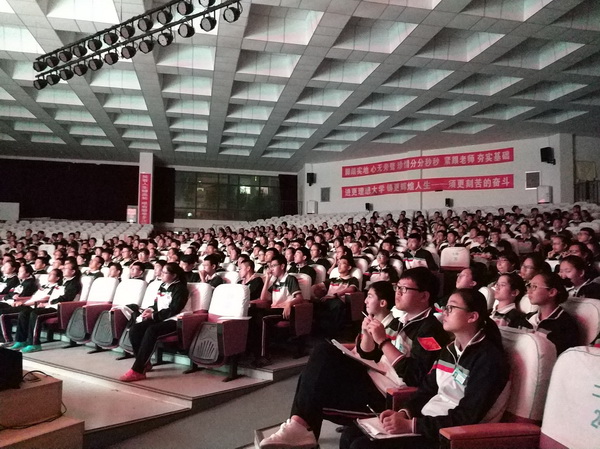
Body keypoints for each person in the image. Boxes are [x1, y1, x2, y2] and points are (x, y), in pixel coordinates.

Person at [259, 273, 449, 449]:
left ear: (424, 296)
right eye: (397, 287)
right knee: (320, 358)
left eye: (404, 289)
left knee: (313, 390)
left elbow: (415, 376)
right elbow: (369, 356)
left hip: (387, 394)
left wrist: (383, 341)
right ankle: (299, 427)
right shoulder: (404, 321)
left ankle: (300, 428)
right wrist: (368, 334)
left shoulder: (430, 329)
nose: (397, 293)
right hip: (372, 376)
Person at [340, 289, 510, 449]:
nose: (444, 312)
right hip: (427, 421)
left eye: (451, 308)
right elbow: (427, 389)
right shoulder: (450, 350)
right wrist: (404, 413)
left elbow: (467, 416)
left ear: (472, 316)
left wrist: (412, 425)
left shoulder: (489, 359)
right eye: (445, 307)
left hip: (450, 435)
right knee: (350, 434)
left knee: (361, 446)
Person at [119, 262, 189, 382]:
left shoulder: (180, 289)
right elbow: (157, 304)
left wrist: (154, 316)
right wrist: (150, 310)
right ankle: (145, 363)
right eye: (162, 272)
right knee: (135, 329)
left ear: (174, 275)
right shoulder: (163, 285)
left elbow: (174, 309)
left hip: (175, 319)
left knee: (152, 330)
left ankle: (138, 370)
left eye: (165, 272)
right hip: (160, 317)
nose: (161, 274)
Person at [11, 260, 82, 353]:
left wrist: (49, 303)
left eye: (66, 268)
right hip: (51, 306)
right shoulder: (62, 281)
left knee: (35, 314)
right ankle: (21, 340)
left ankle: (34, 344)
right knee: (24, 313)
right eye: (63, 268)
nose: (63, 270)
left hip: (60, 308)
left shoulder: (74, 284)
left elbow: (67, 298)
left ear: (73, 271)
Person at [249, 254, 304, 366]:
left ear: (282, 266)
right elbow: (263, 298)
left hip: (284, 311)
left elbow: (299, 298)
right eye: (270, 266)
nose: (271, 269)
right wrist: (268, 279)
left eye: (274, 266)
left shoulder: (290, 279)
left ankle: (264, 356)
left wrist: (289, 304)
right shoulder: (276, 282)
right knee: (252, 314)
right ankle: (253, 352)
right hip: (274, 310)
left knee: (262, 318)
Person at [519, 272, 579, 355]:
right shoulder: (527, 318)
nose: (529, 291)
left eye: (534, 287)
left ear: (552, 292)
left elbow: (563, 357)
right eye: (529, 286)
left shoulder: (565, 325)